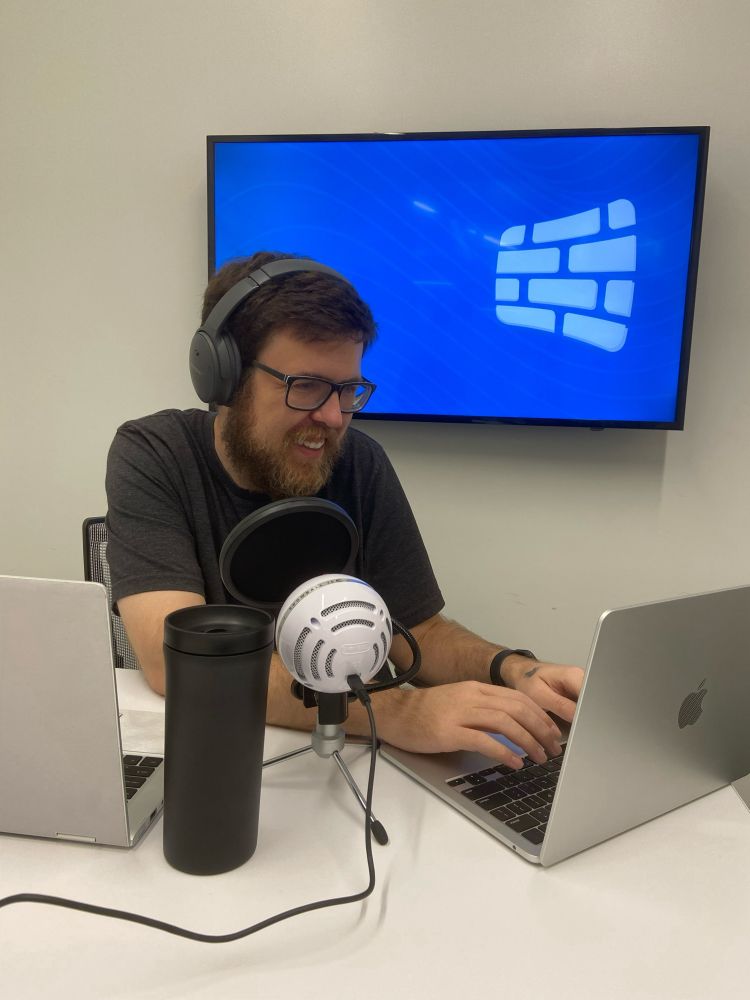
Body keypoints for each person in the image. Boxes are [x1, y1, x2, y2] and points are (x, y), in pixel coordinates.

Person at [105, 251, 583, 769]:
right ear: (225, 378)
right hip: (213, 761)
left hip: (342, 761)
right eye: (306, 386)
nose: (334, 417)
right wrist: (399, 711)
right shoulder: (155, 453)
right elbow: (177, 659)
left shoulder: (359, 461)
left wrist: (513, 670)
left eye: (348, 390)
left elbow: (417, 631)